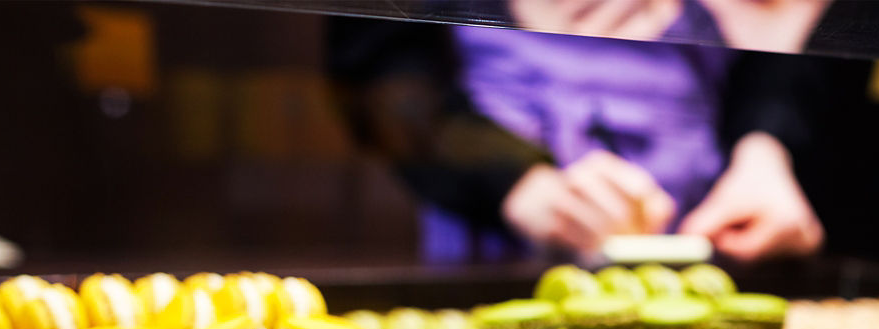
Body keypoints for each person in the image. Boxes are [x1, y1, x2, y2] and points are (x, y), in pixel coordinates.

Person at [326, 2, 825, 262]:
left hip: (707, 244)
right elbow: (381, 75)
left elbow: (777, 57)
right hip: (494, 251)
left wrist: (765, 148)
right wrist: (513, 180)